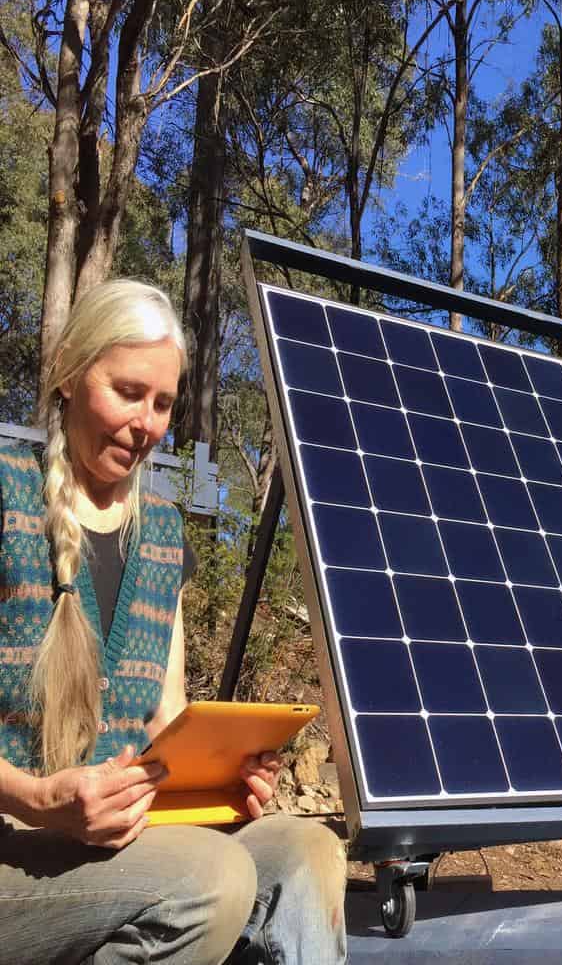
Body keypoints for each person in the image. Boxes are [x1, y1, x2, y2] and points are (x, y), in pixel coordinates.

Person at [0, 280, 347, 964]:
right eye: (128, 392)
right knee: (207, 880)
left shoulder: (161, 533)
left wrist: (227, 778)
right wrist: (40, 800)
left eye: (162, 403)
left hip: (125, 842)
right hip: (16, 843)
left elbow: (165, 721)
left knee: (306, 850)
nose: (148, 423)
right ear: (70, 373)